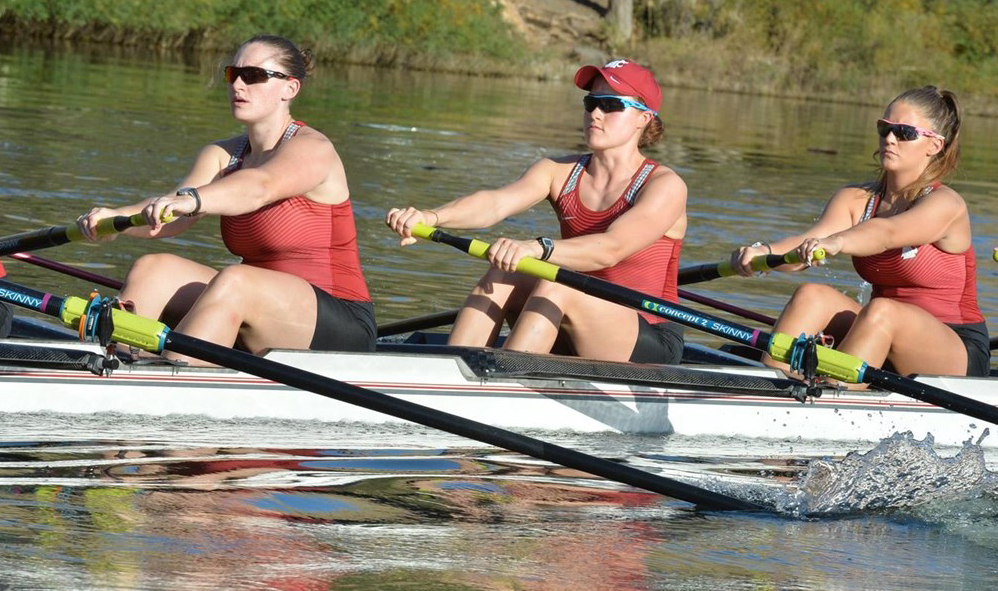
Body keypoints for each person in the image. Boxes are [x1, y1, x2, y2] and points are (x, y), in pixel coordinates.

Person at [77, 35, 374, 364]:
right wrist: (114, 220)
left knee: (235, 280)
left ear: (290, 88)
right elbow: (171, 213)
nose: (238, 85)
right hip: (255, 304)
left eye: (254, 75)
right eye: (234, 74)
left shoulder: (314, 149)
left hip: (340, 320)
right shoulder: (222, 155)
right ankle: (115, 361)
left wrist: (193, 200)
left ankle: (170, 376)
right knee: (153, 269)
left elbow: (260, 187)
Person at [386, 59, 687, 364]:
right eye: (590, 102)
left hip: (649, 335)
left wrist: (537, 248)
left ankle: (507, 376)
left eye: (611, 104)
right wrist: (431, 217)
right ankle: (453, 369)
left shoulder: (664, 186)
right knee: (505, 272)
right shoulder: (558, 171)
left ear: (643, 118)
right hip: (572, 313)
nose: (595, 113)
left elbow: (610, 250)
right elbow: (495, 203)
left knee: (556, 284)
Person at [730, 86, 988, 378]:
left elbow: (886, 233)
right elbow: (805, 244)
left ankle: (833, 392)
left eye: (904, 132)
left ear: (935, 145)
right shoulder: (856, 199)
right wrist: (763, 253)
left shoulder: (946, 204)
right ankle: (768, 382)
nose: (890, 138)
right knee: (811, 295)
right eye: (884, 128)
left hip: (954, 348)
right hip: (876, 330)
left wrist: (837, 242)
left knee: (882, 311)